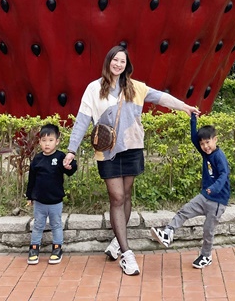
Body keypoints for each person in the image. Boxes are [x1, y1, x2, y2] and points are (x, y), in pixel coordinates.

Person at [63, 45, 199, 276]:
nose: (118, 64)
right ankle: (127, 254)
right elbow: (82, 120)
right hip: (107, 151)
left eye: (122, 61)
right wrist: (71, 151)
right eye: (115, 60)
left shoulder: (135, 87)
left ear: (127, 65)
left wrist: (183, 107)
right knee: (116, 197)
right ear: (108, 62)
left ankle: (118, 240)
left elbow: (161, 97)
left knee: (126, 195)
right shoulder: (94, 89)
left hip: (132, 146)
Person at [150, 114, 229, 269]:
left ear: (215, 140)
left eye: (208, 142)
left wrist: (214, 188)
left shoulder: (219, 156)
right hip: (204, 196)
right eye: (202, 144)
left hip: (218, 200)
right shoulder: (205, 153)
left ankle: (206, 256)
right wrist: (193, 119)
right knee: (184, 211)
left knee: (208, 231)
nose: (205, 146)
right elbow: (194, 139)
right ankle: (167, 233)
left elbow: (224, 175)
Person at [26, 123, 77, 265]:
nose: (47, 144)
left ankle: (57, 248)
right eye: (43, 140)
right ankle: (34, 248)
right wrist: (29, 196)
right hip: (40, 202)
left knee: (56, 225)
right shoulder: (37, 159)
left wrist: (70, 165)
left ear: (57, 141)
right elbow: (31, 179)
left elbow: (71, 170)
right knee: (38, 225)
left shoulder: (61, 157)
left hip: (55, 201)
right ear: (39, 142)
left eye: (50, 140)